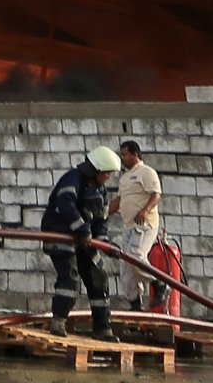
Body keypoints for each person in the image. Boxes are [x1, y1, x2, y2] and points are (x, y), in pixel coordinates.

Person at [42, 145, 122, 338]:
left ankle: (102, 328)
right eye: (106, 173)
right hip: (60, 236)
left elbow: (101, 218)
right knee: (70, 278)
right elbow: (66, 204)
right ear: (95, 170)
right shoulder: (72, 179)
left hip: (84, 241)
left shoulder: (101, 190)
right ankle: (58, 322)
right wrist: (82, 228)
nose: (108, 177)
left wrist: (104, 242)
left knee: (99, 277)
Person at [112, 139, 165, 309]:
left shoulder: (146, 172)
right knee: (126, 268)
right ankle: (135, 305)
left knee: (135, 256)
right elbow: (119, 201)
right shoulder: (125, 178)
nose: (122, 158)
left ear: (135, 155)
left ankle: (159, 284)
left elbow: (156, 194)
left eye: (125, 155)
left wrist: (145, 210)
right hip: (128, 227)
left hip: (144, 224)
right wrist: (102, 214)